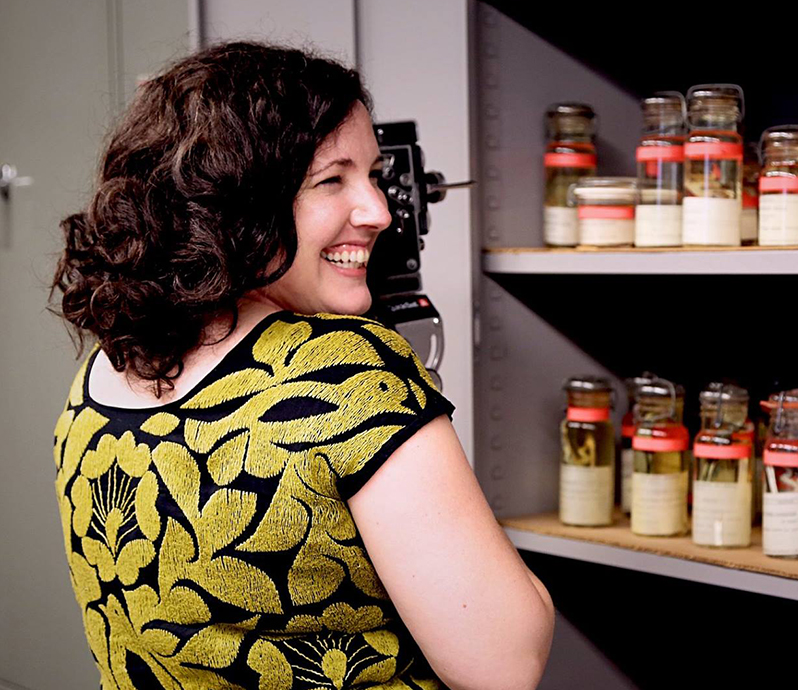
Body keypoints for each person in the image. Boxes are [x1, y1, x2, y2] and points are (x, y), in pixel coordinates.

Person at [50, 41, 554, 690]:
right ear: (236, 200)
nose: (379, 212)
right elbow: (505, 664)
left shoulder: (101, 376)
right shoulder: (345, 375)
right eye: (332, 180)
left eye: (374, 175)